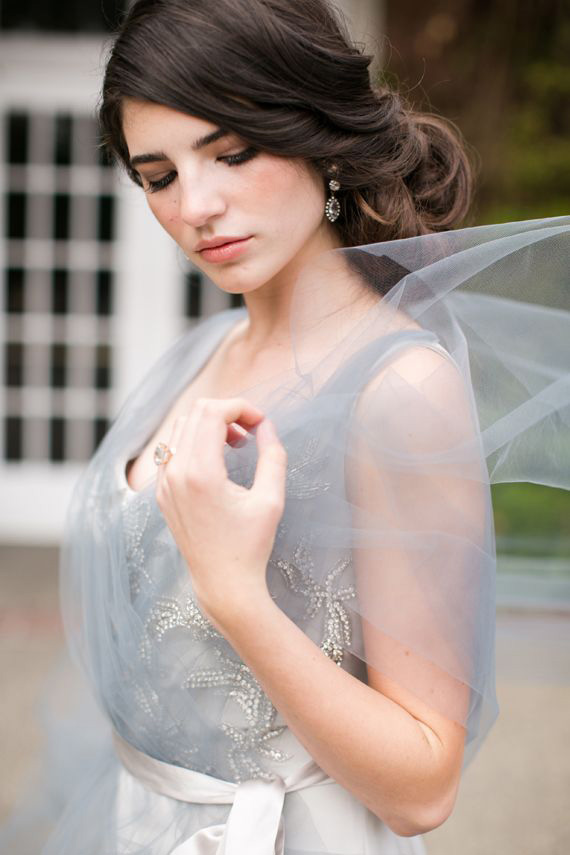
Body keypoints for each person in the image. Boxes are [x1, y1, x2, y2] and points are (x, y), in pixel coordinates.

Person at [4, 1, 569, 854]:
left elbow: (425, 785)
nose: (196, 205)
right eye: (158, 176)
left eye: (232, 153)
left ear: (322, 137)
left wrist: (236, 593)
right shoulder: (204, 349)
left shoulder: (398, 386)